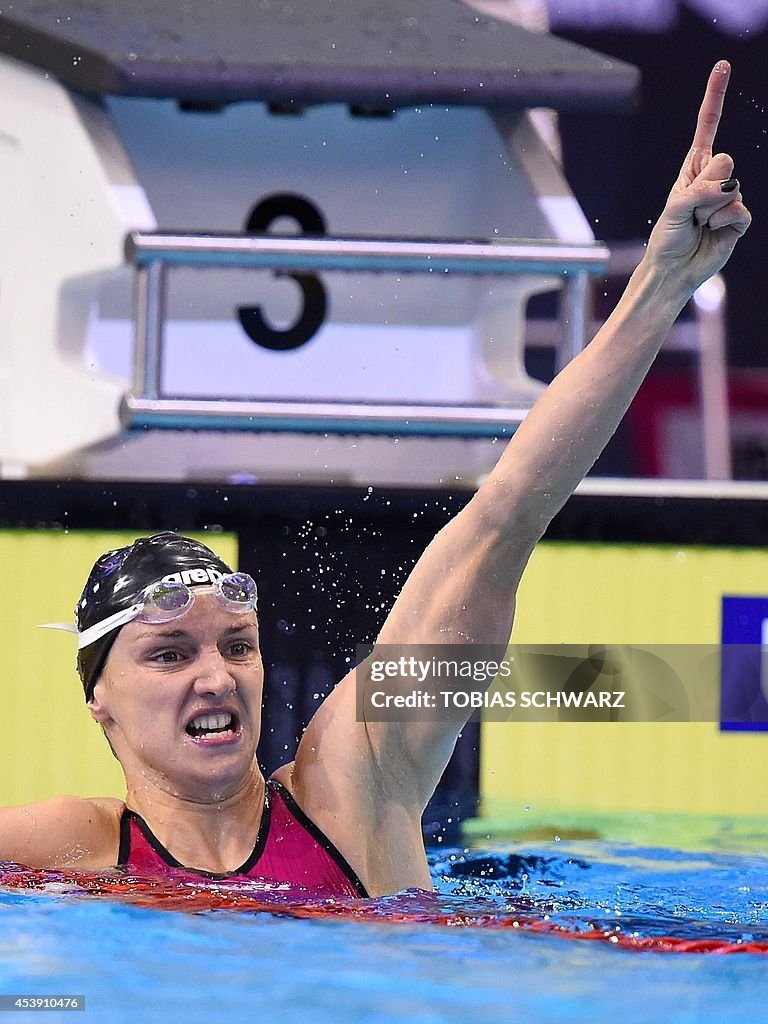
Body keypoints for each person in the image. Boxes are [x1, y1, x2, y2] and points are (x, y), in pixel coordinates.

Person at [0, 61, 751, 898]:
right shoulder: (68, 846)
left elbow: (505, 517)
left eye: (237, 646)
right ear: (99, 698)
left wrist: (660, 287)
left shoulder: (355, 790)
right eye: (170, 653)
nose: (215, 677)